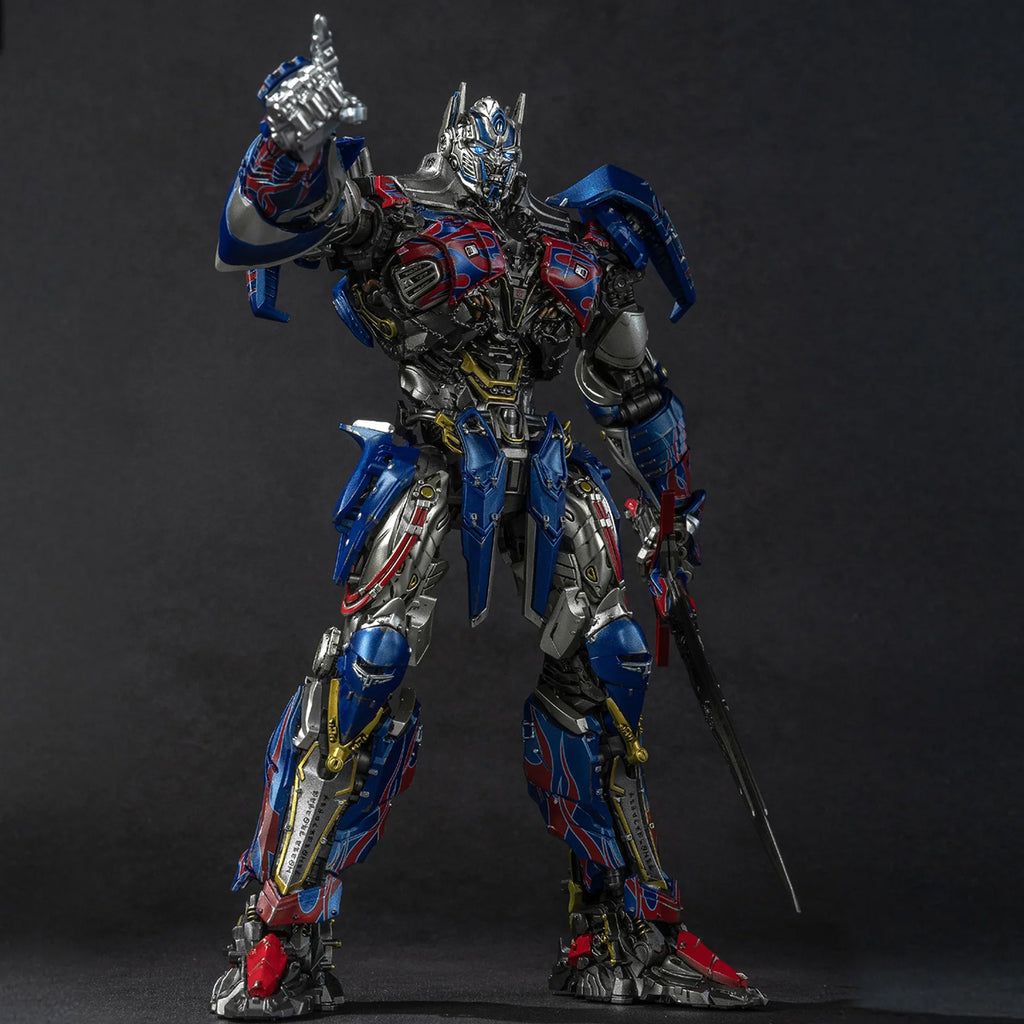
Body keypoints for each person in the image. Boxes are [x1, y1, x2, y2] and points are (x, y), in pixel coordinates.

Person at [210, 14, 765, 1017]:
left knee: (612, 662)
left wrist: (672, 506)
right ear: (449, 132)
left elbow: (631, 386)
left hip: (542, 466)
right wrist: (287, 142)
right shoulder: (396, 215)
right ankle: (283, 929)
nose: (490, 143)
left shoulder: (569, 237)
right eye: (474, 132)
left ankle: (627, 928)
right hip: (427, 456)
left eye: (504, 134)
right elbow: (254, 231)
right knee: (368, 665)